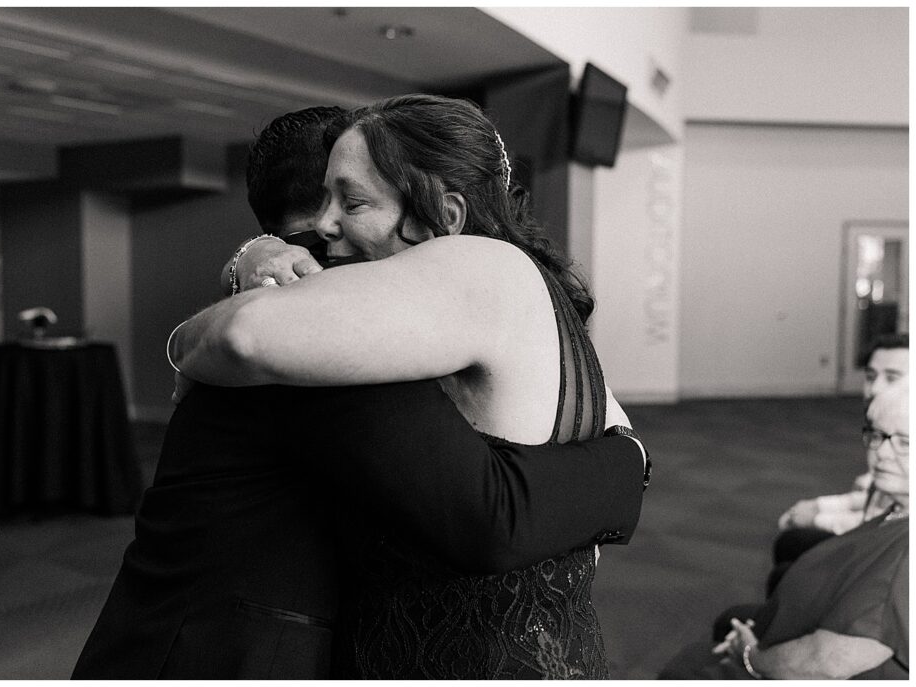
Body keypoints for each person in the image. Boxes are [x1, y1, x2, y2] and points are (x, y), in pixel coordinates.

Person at [73, 105, 648, 679]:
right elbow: (509, 507)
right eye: (325, 205)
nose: (329, 229)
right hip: (208, 646)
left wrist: (627, 463)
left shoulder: (432, 295)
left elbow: (496, 518)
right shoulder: (352, 313)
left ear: (442, 215)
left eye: (351, 202)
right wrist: (628, 462)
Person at [660, 385, 908, 679]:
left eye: (904, 442)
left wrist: (752, 655)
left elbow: (827, 664)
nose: (881, 452)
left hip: (798, 668)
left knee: (685, 668)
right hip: (791, 641)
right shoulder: (899, 509)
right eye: (877, 435)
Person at [770, 333, 908, 592]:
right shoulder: (886, 436)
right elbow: (872, 502)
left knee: (788, 573)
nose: (875, 389)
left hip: (877, 557)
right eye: (871, 377)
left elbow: (880, 526)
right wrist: (819, 506)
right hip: (872, 541)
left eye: (893, 378)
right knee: (789, 554)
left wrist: (819, 518)